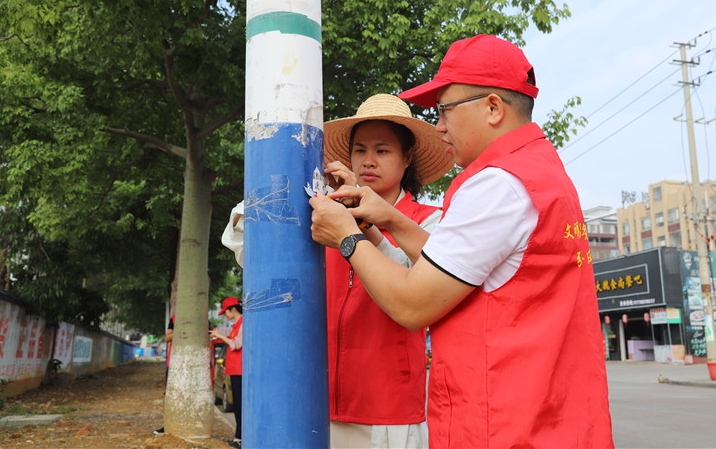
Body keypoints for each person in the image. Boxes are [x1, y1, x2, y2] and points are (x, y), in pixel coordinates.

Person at [309, 35, 614, 448]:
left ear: (491, 107)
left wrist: (346, 236)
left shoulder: (496, 185)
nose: (439, 127)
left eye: (444, 111)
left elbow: (412, 303)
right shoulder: (535, 172)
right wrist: (389, 219)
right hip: (546, 418)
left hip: (501, 424)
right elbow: (462, 264)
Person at [222, 93, 453, 449]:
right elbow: (247, 247)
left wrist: (358, 228)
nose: (368, 161)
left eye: (382, 150)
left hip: (387, 409)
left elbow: (419, 287)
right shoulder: (323, 214)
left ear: (407, 157)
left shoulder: (430, 222)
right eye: (359, 150)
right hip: (312, 402)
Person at [210, 296, 243, 449]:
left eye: (226, 312)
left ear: (233, 309)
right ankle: (238, 437)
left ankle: (240, 438)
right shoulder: (236, 325)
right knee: (236, 404)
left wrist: (220, 336)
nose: (225, 315)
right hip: (235, 370)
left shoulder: (243, 323)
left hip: (240, 371)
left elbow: (236, 345)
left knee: (240, 405)